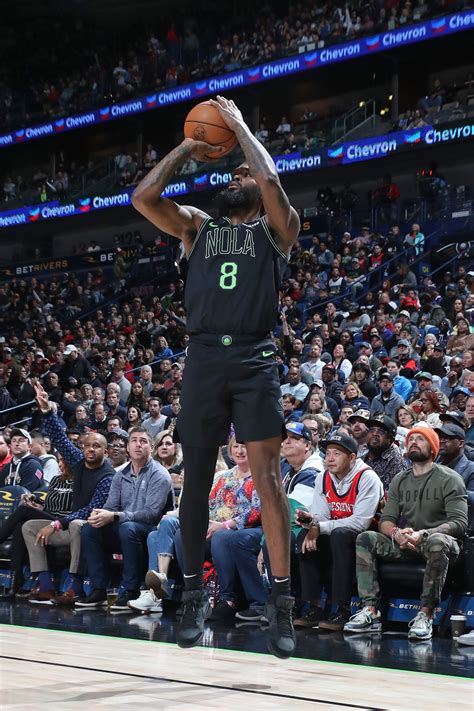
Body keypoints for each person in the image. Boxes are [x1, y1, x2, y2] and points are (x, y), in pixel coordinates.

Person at [131, 95, 300, 658]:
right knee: (197, 479)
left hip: (254, 358)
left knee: (269, 479)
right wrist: (189, 144)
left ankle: (281, 603)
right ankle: (189, 596)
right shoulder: (197, 228)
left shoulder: (277, 230)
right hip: (204, 358)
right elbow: (143, 198)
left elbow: (271, 181)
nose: (236, 175)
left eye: (242, 171)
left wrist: (241, 127)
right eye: (233, 170)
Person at [344, 427, 467, 640]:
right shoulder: (400, 479)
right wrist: (397, 533)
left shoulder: (450, 478)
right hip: (408, 542)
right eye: (411, 439)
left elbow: (459, 523)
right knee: (366, 538)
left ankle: (426, 614)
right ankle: (370, 611)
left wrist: (424, 534)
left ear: (433, 448)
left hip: (438, 544)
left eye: (420, 439)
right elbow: (386, 520)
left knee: (437, 541)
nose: (413, 442)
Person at [21, 384, 115, 605]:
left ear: (105, 451)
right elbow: (60, 439)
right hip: (70, 526)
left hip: (94, 530)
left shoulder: (108, 475)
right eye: (87, 446)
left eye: (96, 446)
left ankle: (75, 587)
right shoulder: (80, 461)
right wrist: (47, 410)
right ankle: (46, 586)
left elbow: (91, 510)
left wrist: (55, 524)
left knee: (77, 524)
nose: (90, 449)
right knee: (29, 526)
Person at [76, 426, 172, 609]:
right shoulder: (120, 475)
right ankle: (98, 589)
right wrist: (100, 515)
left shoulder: (159, 474)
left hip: (152, 530)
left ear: (151, 447)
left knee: (128, 528)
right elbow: (111, 507)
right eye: (134, 441)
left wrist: (114, 516)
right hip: (124, 527)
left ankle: (130, 589)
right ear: (128, 447)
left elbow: (150, 514)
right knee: (89, 528)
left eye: (143, 441)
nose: (138, 445)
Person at [294, 433, 383, 630]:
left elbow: (360, 523)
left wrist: (318, 527)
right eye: (327, 453)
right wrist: (310, 523)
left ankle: (343, 609)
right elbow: (321, 515)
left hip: (367, 537)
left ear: (352, 458)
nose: (330, 459)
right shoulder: (323, 477)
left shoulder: (367, 478)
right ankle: (314, 606)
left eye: (337, 453)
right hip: (336, 532)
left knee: (340, 536)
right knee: (303, 537)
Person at [0, 453, 74, 600]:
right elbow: (50, 506)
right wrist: (36, 501)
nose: (60, 464)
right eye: (59, 460)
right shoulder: (56, 480)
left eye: (63, 461)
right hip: (49, 520)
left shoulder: (80, 482)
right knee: (21, 525)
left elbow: (75, 509)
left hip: (66, 523)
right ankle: (15, 579)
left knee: (23, 510)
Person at [436, 422, 474, 533]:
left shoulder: (471, 468)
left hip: (460, 529)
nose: (441, 441)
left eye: (446, 438)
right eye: (440, 438)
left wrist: (450, 488)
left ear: (461, 443)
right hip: (434, 524)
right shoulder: (435, 467)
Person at [363, 415, 405, 492]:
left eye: (381, 431)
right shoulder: (362, 459)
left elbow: (394, 495)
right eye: (372, 430)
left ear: (390, 439)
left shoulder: (395, 461)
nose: (375, 433)